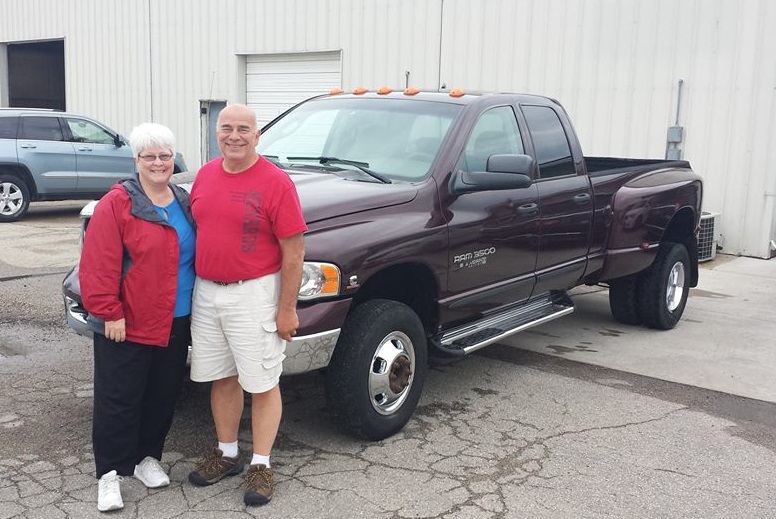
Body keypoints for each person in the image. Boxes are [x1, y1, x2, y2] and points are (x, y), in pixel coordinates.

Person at [187, 103, 306, 506]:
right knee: (222, 376)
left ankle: (261, 464)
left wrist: (286, 308)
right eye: (226, 128)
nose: (233, 135)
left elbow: (294, 250)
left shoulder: (275, 182)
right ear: (216, 133)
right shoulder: (204, 176)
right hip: (207, 293)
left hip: (254, 293)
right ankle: (228, 453)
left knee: (262, 382)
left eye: (243, 129)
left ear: (258, 136)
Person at [79, 123, 195, 512]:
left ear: (173, 160)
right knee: (119, 399)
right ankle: (109, 475)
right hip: (127, 322)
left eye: (165, 155)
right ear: (136, 161)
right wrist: (108, 312)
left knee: (162, 395)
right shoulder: (118, 203)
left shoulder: (182, 199)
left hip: (177, 318)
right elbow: (98, 265)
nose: (158, 162)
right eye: (149, 156)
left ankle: (147, 458)